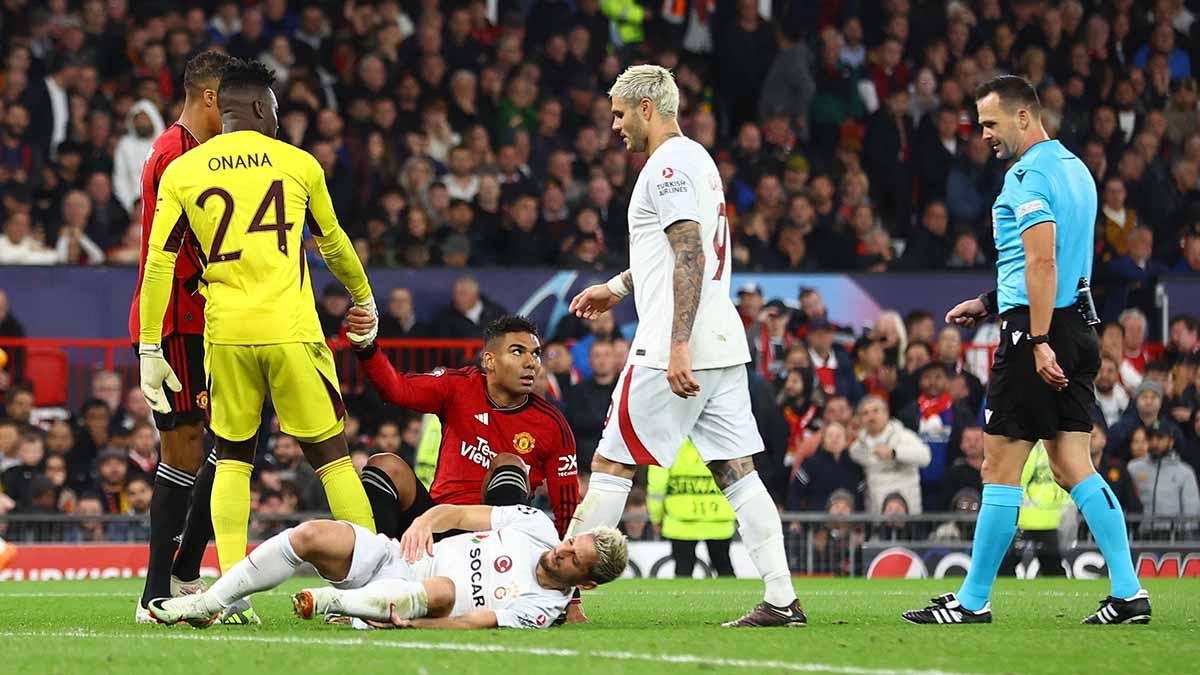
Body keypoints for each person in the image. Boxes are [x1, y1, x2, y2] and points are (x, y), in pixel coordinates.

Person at [138, 59, 378, 625]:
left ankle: (229, 590)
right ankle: (371, 582)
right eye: (274, 107)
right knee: (330, 457)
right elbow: (334, 243)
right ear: (256, 109)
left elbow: (158, 265)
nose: (278, 117)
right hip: (291, 331)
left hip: (225, 335)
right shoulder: (299, 164)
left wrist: (150, 348)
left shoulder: (185, 170)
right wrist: (363, 298)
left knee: (234, 461)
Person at [564, 65, 803, 627]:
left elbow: (691, 252)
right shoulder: (696, 159)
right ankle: (782, 598)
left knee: (611, 463)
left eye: (621, 113)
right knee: (738, 472)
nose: (616, 125)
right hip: (721, 340)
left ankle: (560, 593)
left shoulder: (664, 165)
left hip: (677, 341)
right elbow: (671, 252)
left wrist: (676, 345)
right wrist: (618, 287)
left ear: (647, 107)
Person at [905, 76, 1148, 626]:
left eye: (990, 123)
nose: (983, 134)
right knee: (1070, 464)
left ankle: (972, 601)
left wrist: (1035, 339)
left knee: (999, 467)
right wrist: (990, 301)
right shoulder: (1075, 170)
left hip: (1038, 334)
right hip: (1077, 324)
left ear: (1022, 117)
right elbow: (1050, 260)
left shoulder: (1026, 175)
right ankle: (1129, 592)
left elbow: (1042, 263)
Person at [346, 312, 585, 622]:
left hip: (494, 547)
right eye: (518, 351)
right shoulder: (457, 387)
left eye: (536, 354)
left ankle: (498, 595)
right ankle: (372, 587)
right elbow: (396, 390)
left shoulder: (552, 424)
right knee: (384, 464)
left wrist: (572, 597)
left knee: (508, 464)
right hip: (434, 527)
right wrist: (366, 347)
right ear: (489, 361)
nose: (532, 363)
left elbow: (566, 509)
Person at [123, 50, 232, 623]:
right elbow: (178, 249)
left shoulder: (203, 152)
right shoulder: (173, 154)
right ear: (210, 97)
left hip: (205, 319)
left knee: (230, 439)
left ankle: (186, 572)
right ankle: (155, 593)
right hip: (175, 318)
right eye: (232, 100)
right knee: (186, 447)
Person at [148, 503, 627, 630]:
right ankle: (209, 602)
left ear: (583, 582)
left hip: (411, 599)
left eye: (572, 560)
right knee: (313, 533)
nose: (560, 551)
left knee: (443, 591)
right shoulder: (536, 525)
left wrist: (411, 626)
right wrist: (423, 522)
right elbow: (457, 515)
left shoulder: (543, 608)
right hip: (399, 556)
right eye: (571, 542)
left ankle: (339, 604)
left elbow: (472, 621)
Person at [647, 440, 737, 578]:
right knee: (724, 567)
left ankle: (681, 600)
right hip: (719, 518)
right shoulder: (722, 440)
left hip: (681, 521)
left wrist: (656, 517)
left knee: (683, 571)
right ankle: (736, 600)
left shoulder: (667, 443)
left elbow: (657, 487)